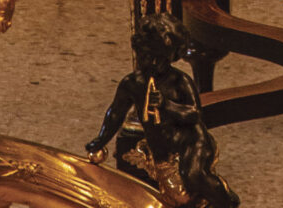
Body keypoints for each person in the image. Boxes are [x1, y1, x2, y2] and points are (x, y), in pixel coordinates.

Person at [86, 17, 238, 208]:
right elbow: (116, 114)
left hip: (192, 144)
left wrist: (167, 105)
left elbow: (193, 114)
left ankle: (226, 201)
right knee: (180, 198)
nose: (154, 64)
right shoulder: (132, 84)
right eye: (149, 57)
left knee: (194, 176)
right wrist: (100, 140)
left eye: (161, 59)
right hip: (163, 154)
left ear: (172, 56)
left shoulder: (179, 81)